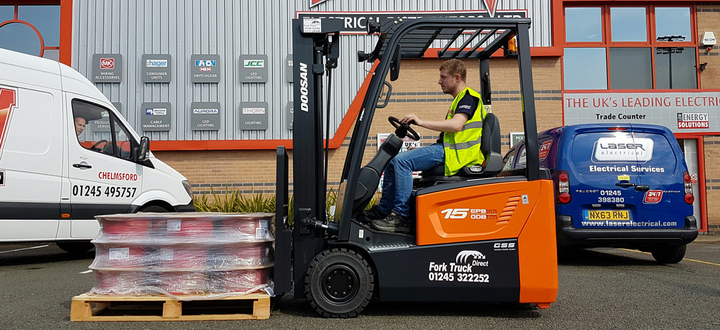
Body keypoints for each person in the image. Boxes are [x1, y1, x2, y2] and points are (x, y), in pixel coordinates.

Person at [365, 59, 487, 234]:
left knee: (402, 162)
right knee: (393, 162)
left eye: (443, 77)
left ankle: (401, 217)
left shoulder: (469, 97)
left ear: (457, 77)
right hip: (449, 150)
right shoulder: (460, 99)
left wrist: (420, 122)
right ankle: (383, 211)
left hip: (458, 155)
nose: (440, 81)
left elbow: (456, 126)